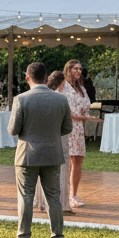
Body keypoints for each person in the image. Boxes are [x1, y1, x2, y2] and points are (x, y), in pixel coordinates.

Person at [7, 62, 72, 238]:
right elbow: (68, 127)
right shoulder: (61, 99)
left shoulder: (21, 99)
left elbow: (13, 129)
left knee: (26, 195)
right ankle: (58, 237)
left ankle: (23, 237)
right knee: (54, 196)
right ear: (46, 78)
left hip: (27, 154)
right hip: (53, 152)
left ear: (27, 78)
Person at [62, 60, 102, 210]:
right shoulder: (63, 87)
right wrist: (80, 116)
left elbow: (85, 108)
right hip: (67, 127)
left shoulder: (82, 89)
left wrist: (88, 117)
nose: (78, 71)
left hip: (79, 128)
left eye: (80, 69)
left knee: (78, 160)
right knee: (68, 161)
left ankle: (74, 194)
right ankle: (64, 195)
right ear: (69, 70)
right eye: (75, 69)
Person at [33, 71, 74, 216]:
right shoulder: (61, 98)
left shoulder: (36, 96)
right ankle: (61, 202)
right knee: (60, 170)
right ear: (62, 82)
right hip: (58, 137)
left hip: (40, 138)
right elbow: (68, 123)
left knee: (42, 170)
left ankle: (41, 201)